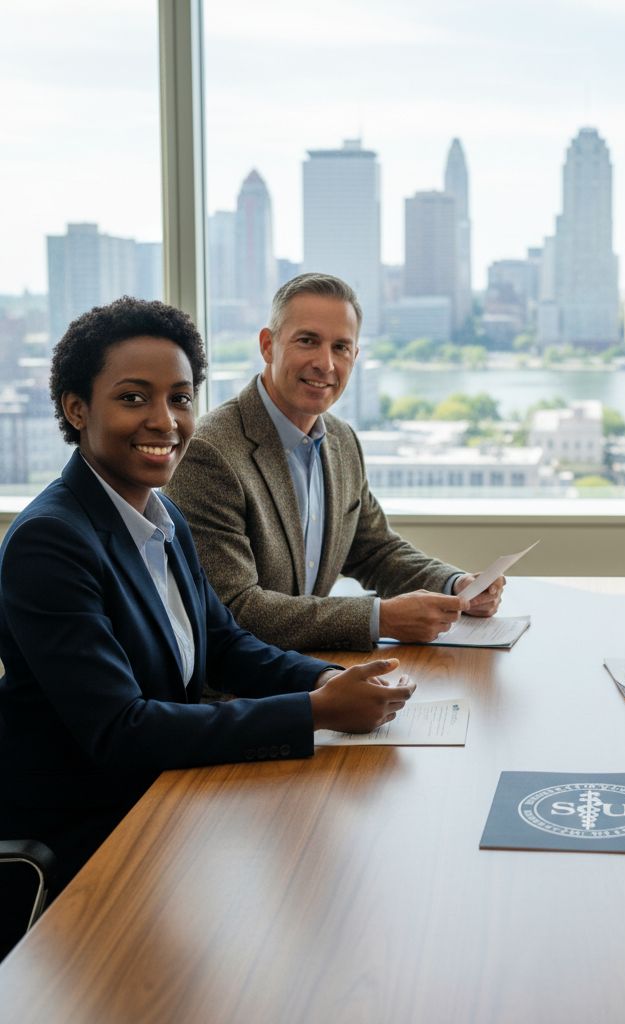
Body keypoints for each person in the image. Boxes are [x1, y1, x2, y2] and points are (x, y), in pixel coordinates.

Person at [0, 298, 415, 939]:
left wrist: (327, 680)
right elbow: (122, 730)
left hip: (169, 801)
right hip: (91, 843)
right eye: (133, 398)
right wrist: (314, 712)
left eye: (180, 398)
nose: (165, 421)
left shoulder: (160, 516)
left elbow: (224, 644)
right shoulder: (50, 542)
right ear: (76, 408)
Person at [163, 273, 504, 652]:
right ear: (268, 345)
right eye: (308, 341)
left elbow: (374, 550)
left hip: (315, 665)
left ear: (354, 357)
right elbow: (235, 609)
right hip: (237, 682)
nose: (325, 363)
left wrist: (456, 586)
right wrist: (380, 618)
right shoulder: (209, 452)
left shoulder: (342, 441)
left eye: (340, 347)